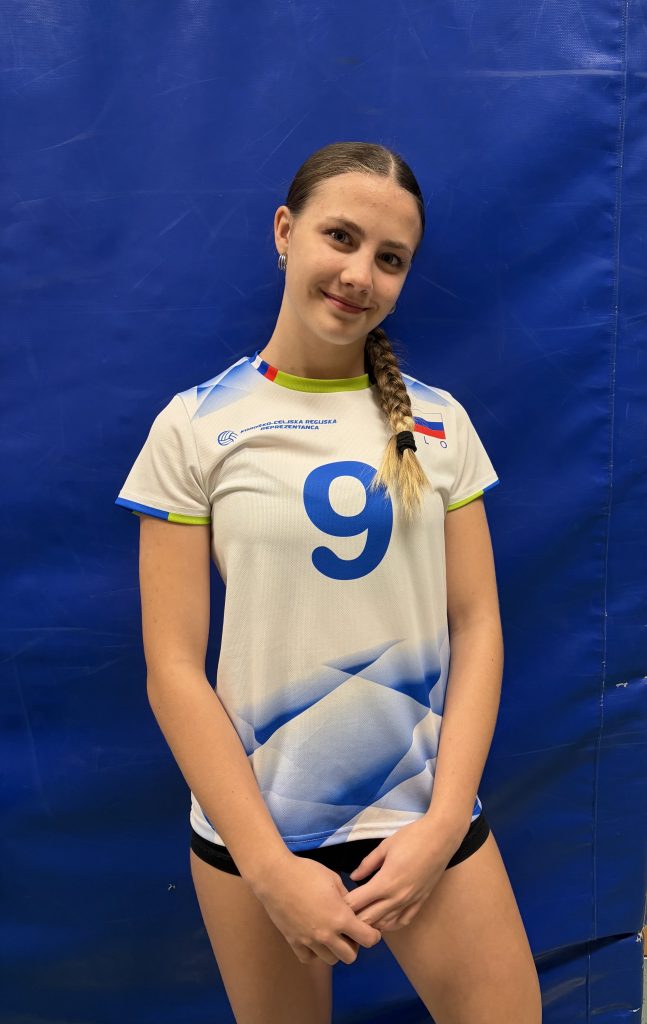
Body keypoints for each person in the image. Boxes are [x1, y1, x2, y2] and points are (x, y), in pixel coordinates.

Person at [115, 141, 542, 1023]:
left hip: (421, 818)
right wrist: (269, 869)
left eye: (390, 258)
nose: (359, 275)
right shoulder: (193, 427)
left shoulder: (440, 421)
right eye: (340, 237)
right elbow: (171, 667)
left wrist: (441, 827)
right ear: (285, 231)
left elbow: (477, 625)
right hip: (255, 834)